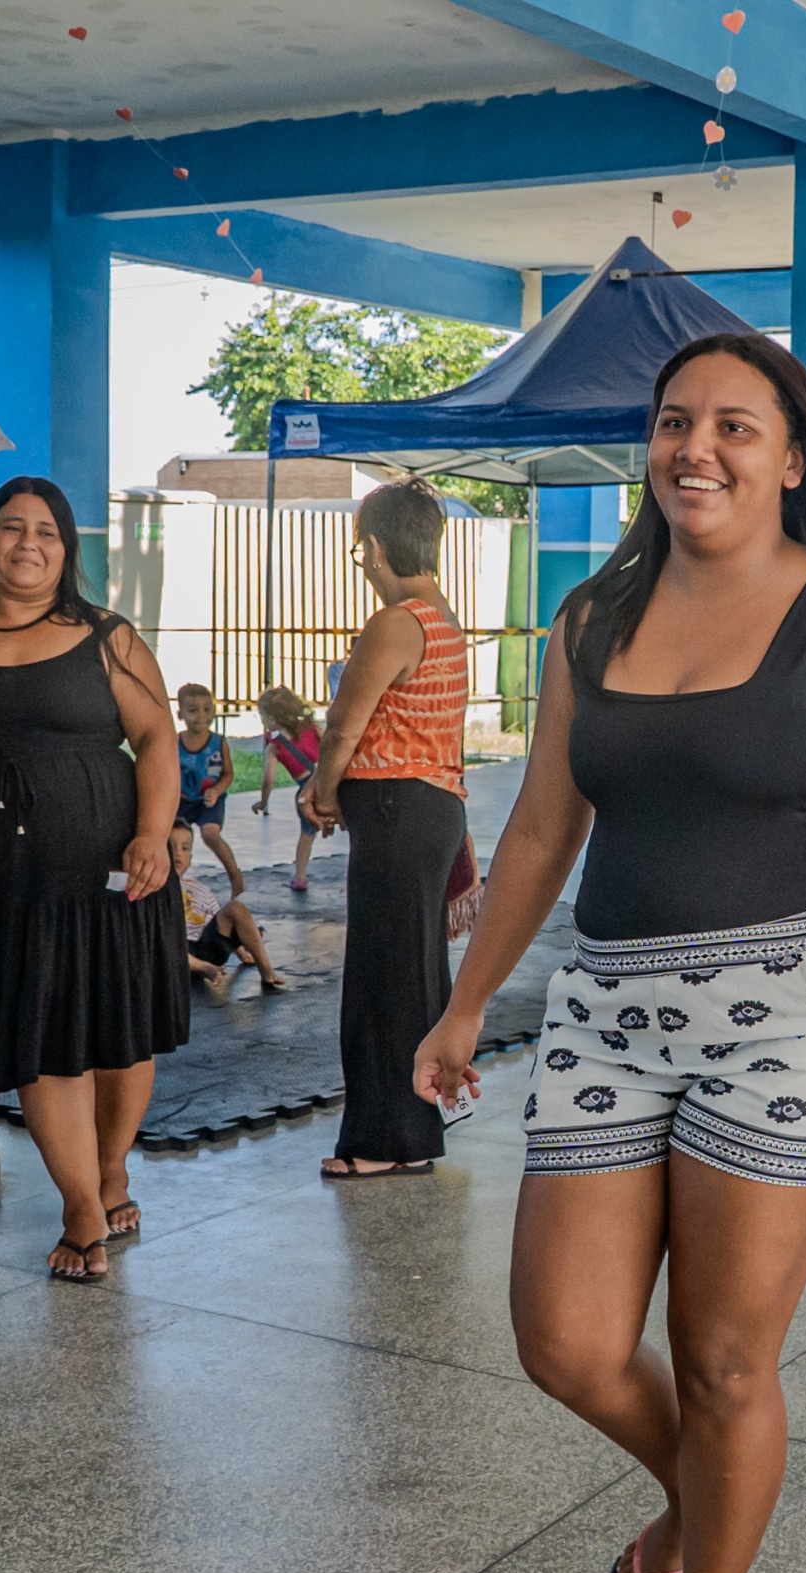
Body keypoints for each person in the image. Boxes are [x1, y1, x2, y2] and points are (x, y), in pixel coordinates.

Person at [411, 333, 806, 1573]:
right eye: (675, 422)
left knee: (725, 1362)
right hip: (609, 1006)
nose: (697, 448)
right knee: (567, 1340)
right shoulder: (592, 617)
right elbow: (542, 825)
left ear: (790, 458)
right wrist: (465, 1002)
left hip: (796, 1013)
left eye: (734, 425)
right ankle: (703, 1492)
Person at [0, 477, 189, 1280]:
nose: (29, 543)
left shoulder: (106, 636)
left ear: (66, 549)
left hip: (111, 863)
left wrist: (153, 834)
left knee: (121, 1029)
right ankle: (81, 1205)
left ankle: (111, 1168)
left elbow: (157, 738)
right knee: (40, 1034)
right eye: (12, 528)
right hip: (4, 873)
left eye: (47, 531)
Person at [303, 478, 470, 1181]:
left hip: (398, 813)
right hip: (432, 812)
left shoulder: (396, 622)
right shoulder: (445, 619)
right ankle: (414, 1130)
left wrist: (321, 791)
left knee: (381, 979)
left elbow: (345, 725)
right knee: (416, 976)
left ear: (373, 548)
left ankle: (380, 1141)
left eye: (359, 552)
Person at [169, 823, 284, 991]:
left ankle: (267, 972)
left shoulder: (200, 889)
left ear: (191, 858)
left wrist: (241, 953)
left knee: (235, 908)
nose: (178, 853)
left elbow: (219, 921)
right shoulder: (153, 889)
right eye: (171, 847)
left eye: (185, 848)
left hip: (204, 947)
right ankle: (203, 968)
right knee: (163, 940)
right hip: (174, 951)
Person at [251, 683, 325, 890]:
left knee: (307, 834)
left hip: (305, 790)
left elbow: (268, 779)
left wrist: (263, 802)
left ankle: (300, 877)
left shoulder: (274, 746)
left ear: (271, 719)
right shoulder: (312, 728)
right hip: (326, 782)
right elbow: (329, 746)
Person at [175, 682, 243, 895]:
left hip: (209, 799)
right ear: (180, 715)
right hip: (182, 799)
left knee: (210, 833)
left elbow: (227, 773)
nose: (201, 716)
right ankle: (174, 880)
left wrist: (217, 791)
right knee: (171, 837)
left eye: (206, 709)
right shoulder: (175, 742)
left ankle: (235, 876)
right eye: (193, 710)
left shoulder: (218, 743)